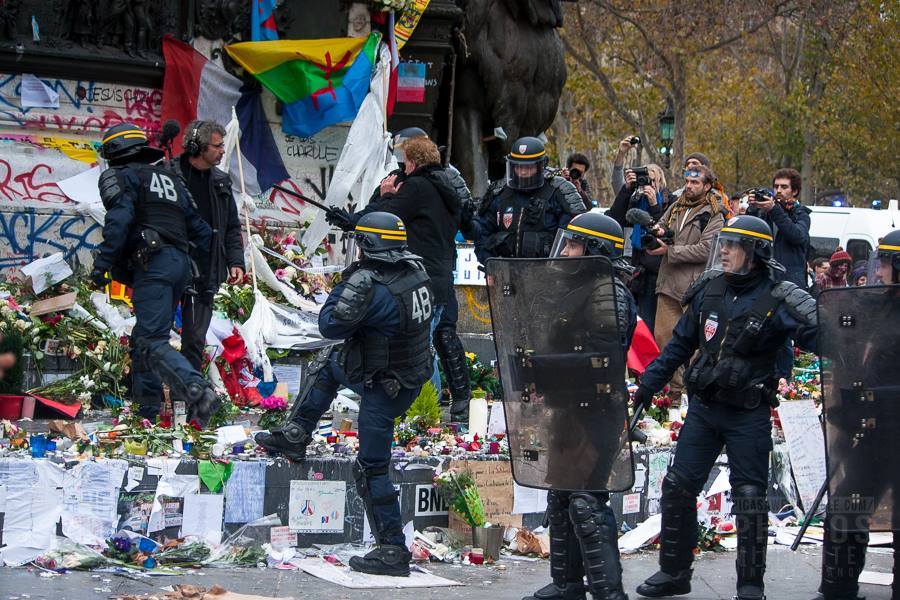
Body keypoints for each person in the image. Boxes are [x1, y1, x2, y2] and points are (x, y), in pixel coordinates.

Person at [631, 215, 817, 600]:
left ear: (755, 252)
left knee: (750, 496)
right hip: (705, 408)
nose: (725, 252)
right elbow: (681, 345)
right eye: (725, 244)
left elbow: (823, 333)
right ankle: (674, 572)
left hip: (748, 412)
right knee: (678, 487)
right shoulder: (709, 289)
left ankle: (750, 585)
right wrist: (648, 384)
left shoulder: (779, 296)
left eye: (733, 246)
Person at [256, 212, 433, 576]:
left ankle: (392, 550)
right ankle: (296, 434)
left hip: (384, 385)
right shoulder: (414, 270)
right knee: (329, 363)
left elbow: (331, 323)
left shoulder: (371, 283)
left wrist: (349, 282)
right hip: (406, 374)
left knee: (370, 467)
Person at [523, 212, 636, 600]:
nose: (566, 250)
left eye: (573, 244)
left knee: (587, 502)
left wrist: (542, 367)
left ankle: (609, 592)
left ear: (595, 249)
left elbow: (602, 361)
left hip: (596, 410)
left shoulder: (607, 293)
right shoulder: (578, 287)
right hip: (569, 406)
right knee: (562, 497)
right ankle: (567, 584)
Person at [89, 123, 218, 426]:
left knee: (151, 340)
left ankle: (197, 390)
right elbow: (200, 230)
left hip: (154, 264)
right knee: (143, 339)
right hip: (178, 265)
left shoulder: (121, 176)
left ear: (113, 153)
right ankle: (146, 413)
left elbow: (119, 220)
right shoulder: (168, 179)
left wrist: (102, 266)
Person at [333, 135, 464, 421]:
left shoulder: (417, 186)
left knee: (418, 351)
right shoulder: (445, 187)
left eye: (404, 162)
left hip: (419, 278)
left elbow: (385, 218)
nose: (401, 168)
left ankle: (422, 413)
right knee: (425, 345)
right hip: (440, 278)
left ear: (413, 162)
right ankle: (424, 410)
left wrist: (384, 195)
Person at [812, 229, 900, 600]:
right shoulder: (878, 302)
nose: (877, 271)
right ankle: (838, 588)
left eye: (884, 264)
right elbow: (839, 320)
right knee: (847, 503)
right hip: (876, 428)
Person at [168, 120, 245, 373]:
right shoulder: (168, 175)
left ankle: (189, 396)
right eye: (217, 145)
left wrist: (235, 262)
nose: (223, 150)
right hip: (169, 266)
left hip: (206, 269)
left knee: (195, 339)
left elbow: (232, 226)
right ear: (197, 147)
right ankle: (152, 397)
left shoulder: (220, 181)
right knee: (156, 334)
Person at [648, 164, 726, 407]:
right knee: (663, 340)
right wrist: (657, 231)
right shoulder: (676, 207)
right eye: (687, 182)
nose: (689, 186)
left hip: (693, 289)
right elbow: (661, 225)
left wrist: (670, 251)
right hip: (668, 285)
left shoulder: (715, 214)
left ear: (707, 185)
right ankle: (673, 395)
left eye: (695, 182)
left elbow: (707, 249)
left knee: (695, 347)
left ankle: (694, 395)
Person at [468, 136, 586, 265]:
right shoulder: (499, 192)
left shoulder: (559, 191)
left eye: (529, 167)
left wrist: (559, 268)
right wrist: (489, 265)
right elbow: (483, 233)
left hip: (548, 273)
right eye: (518, 167)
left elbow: (572, 237)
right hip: (505, 271)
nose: (523, 172)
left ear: (541, 166)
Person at [606, 163, 670, 334]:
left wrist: (655, 205)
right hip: (636, 268)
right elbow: (615, 217)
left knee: (648, 321)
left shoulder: (668, 201)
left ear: (660, 180)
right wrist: (627, 189)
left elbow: (664, 234)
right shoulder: (635, 198)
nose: (647, 183)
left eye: (651, 179)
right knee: (632, 317)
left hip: (655, 270)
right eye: (644, 179)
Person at [745, 168, 811, 288]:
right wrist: (753, 209)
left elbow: (797, 236)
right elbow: (748, 238)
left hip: (790, 283)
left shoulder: (801, 214)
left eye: (784, 187)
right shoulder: (765, 212)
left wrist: (774, 210)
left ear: (795, 191)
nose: (778, 190)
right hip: (764, 279)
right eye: (776, 187)